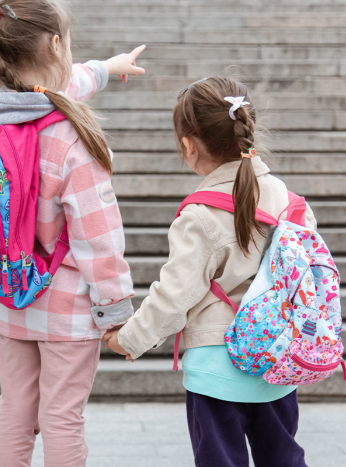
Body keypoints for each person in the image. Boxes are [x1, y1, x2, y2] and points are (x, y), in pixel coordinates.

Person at [0, 1, 144, 465]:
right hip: (67, 311)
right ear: (58, 45)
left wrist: (106, 68)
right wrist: (115, 311)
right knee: (62, 416)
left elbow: (63, 83)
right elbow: (98, 237)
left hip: (12, 299)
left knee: (14, 411)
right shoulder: (71, 140)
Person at [103, 76, 314, 467]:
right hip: (277, 360)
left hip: (217, 370)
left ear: (188, 145)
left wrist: (129, 339)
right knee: (284, 457)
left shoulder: (200, 215)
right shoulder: (289, 200)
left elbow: (174, 295)